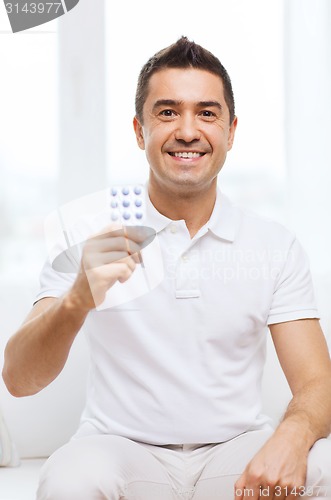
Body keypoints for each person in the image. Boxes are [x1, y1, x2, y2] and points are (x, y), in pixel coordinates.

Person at [2, 36, 331, 500]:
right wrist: (77, 298)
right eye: (167, 112)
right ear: (140, 131)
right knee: (67, 481)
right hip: (120, 450)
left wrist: (293, 438)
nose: (188, 130)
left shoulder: (274, 245)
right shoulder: (89, 232)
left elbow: (317, 382)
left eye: (207, 113)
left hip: (236, 452)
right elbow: (18, 378)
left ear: (231, 131)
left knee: (325, 465)